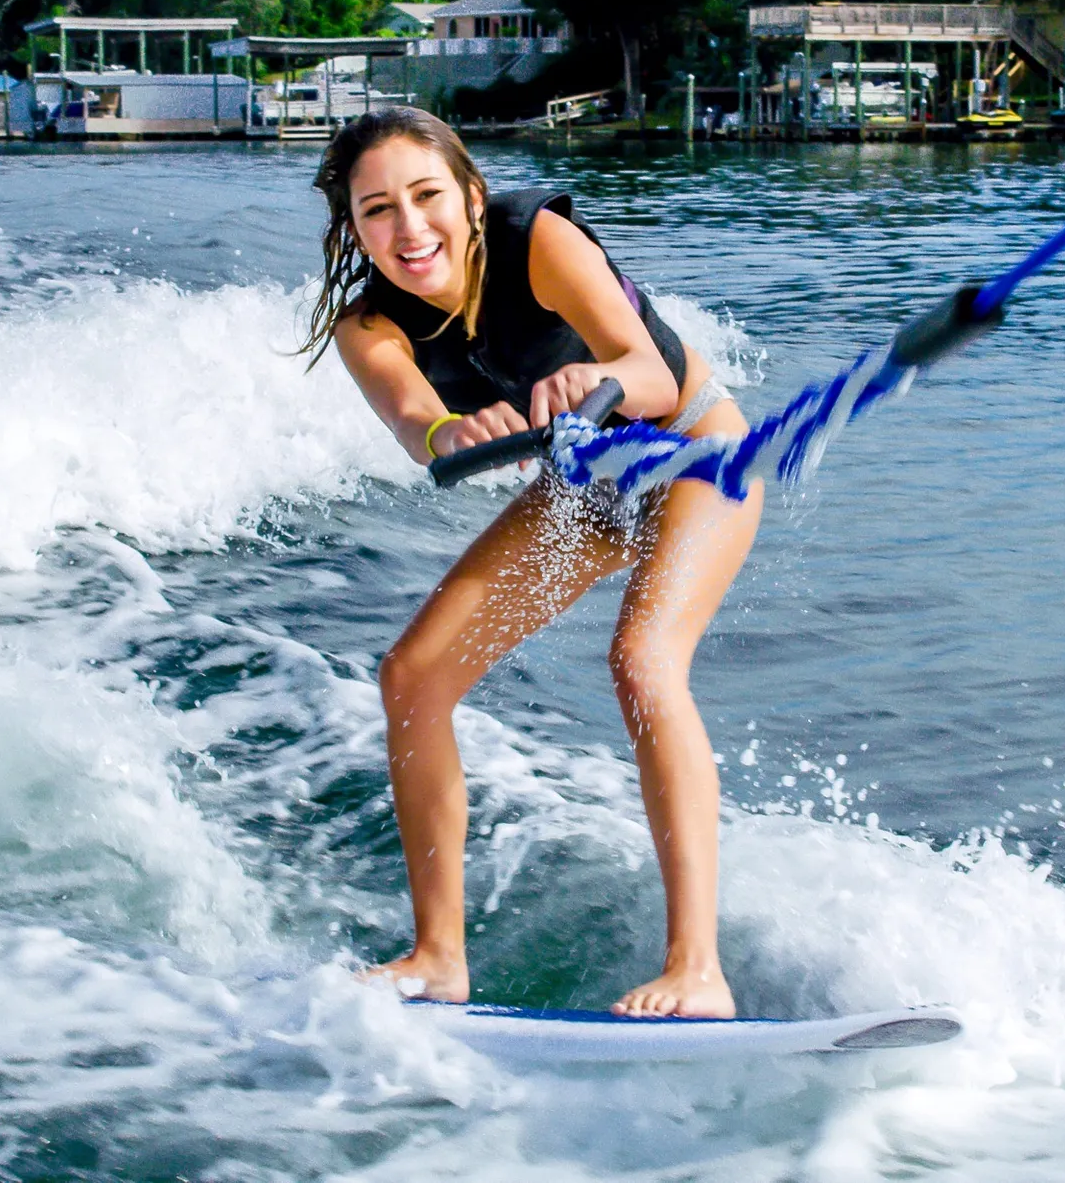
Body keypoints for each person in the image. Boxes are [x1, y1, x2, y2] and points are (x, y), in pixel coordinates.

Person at [304, 107, 762, 1018]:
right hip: (588, 489)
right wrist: (452, 430)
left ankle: (697, 971)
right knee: (412, 677)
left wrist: (595, 381)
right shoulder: (368, 327)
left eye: (427, 196)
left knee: (642, 659)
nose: (409, 227)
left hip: (694, 449)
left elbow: (651, 372)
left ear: (471, 198)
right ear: (352, 227)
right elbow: (415, 423)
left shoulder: (536, 239)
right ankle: (438, 956)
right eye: (377, 210)